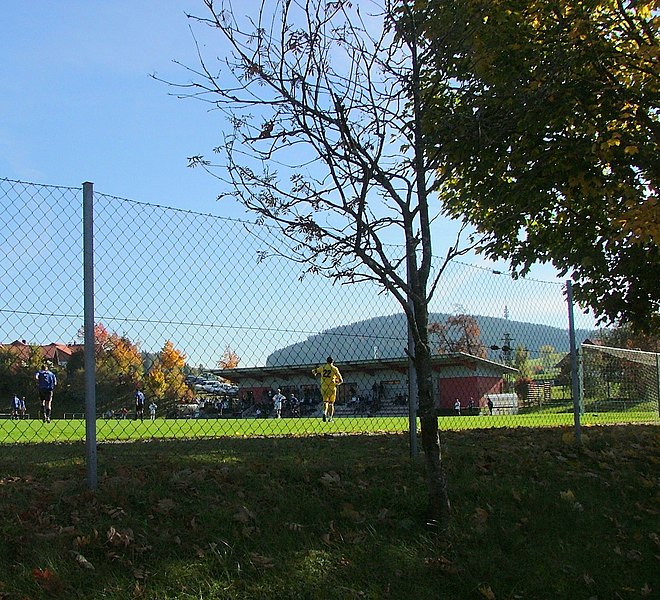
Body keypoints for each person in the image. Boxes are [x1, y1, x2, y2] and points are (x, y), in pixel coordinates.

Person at [312, 356, 343, 422]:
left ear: (326, 361)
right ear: (333, 361)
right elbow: (341, 380)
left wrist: (315, 373)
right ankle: (330, 418)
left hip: (323, 387)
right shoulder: (334, 369)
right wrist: (336, 382)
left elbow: (314, 371)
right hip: (331, 387)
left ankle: (324, 413)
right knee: (331, 403)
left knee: (325, 402)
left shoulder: (323, 367)